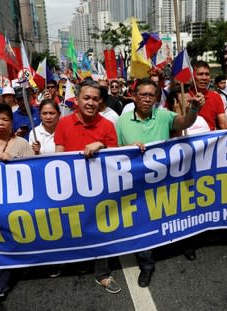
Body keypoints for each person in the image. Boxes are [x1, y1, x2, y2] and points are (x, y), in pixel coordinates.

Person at [115, 78, 204, 287]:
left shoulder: (164, 115)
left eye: (151, 95)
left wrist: (193, 110)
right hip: (136, 184)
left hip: (165, 181)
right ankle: (146, 266)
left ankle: (184, 244)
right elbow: (116, 150)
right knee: (142, 224)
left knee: (173, 214)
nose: (147, 99)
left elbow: (184, 122)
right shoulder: (122, 121)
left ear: (157, 98)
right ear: (134, 96)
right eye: (143, 95)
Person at [54, 79, 121, 294]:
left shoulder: (107, 125)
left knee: (102, 228)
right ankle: (77, 260)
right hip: (72, 187)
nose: (91, 102)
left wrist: (101, 144)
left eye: (95, 99)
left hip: (101, 189)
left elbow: (116, 157)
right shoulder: (63, 124)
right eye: (86, 98)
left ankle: (102, 273)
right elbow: (58, 156)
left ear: (100, 101)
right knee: (75, 226)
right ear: (77, 100)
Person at [0, 103, 34, 299]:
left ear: (12, 123)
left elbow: (33, 170)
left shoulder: (22, 144)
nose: (1, 123)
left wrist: (13, 160)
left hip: (18, 203)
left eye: (5, 119)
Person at [191, 61, 227, 130]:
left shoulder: (216, 97)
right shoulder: (183, 96)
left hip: (211, 139)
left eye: (207, 74)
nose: (204, 78)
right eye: (200, 74)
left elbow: (224, 124)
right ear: (192, 76)